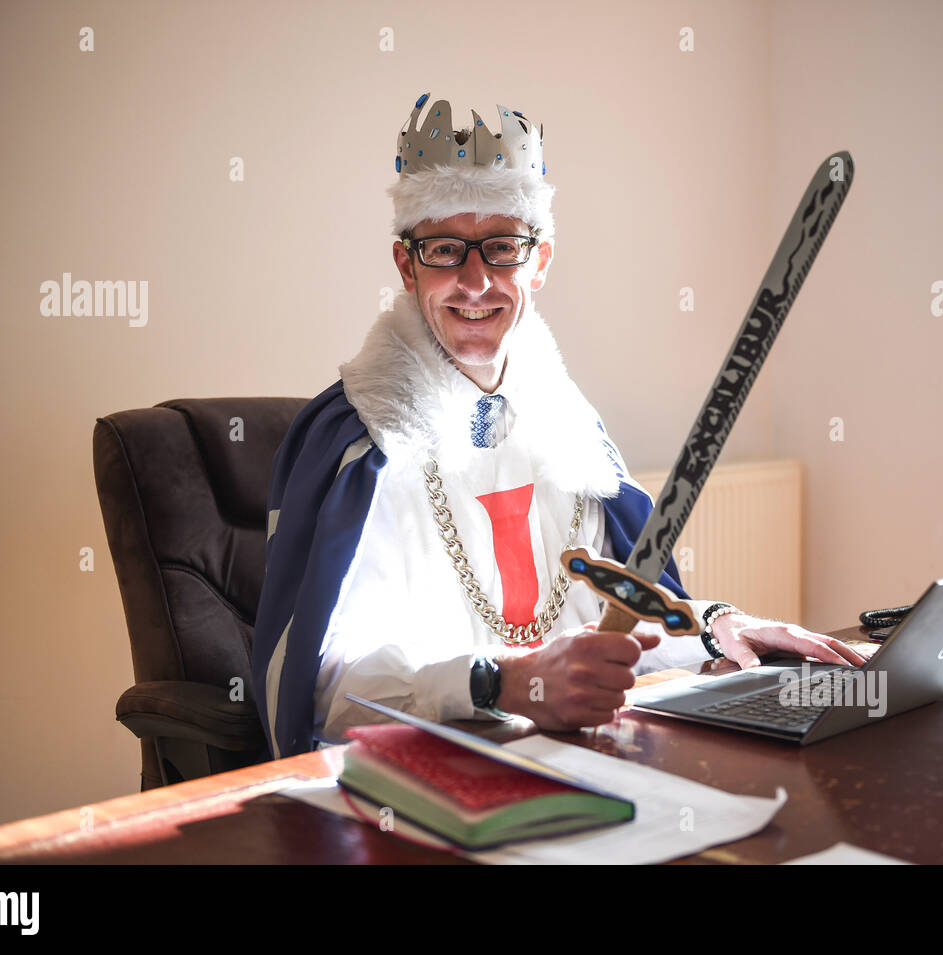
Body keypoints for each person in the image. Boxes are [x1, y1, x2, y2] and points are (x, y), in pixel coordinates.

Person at [252, 93, 865, 759]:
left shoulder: (570, 432)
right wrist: (500, 682)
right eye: (445, 249)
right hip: (423, 796)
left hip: (579, 761)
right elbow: (324, 690)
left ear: (540, 261)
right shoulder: (359, 446)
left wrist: (717, 626)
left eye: (504, 248)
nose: (476, 280)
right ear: (406, 266)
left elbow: (611, 627)